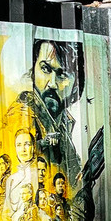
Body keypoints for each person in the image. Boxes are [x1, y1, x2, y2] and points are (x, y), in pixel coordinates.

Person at [13, 37, 83, 176]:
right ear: (32, 72)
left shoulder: (64, 120)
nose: (52, 83)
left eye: (62, 75)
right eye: (45, 69)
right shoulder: (20, 113)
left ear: (76, 86)